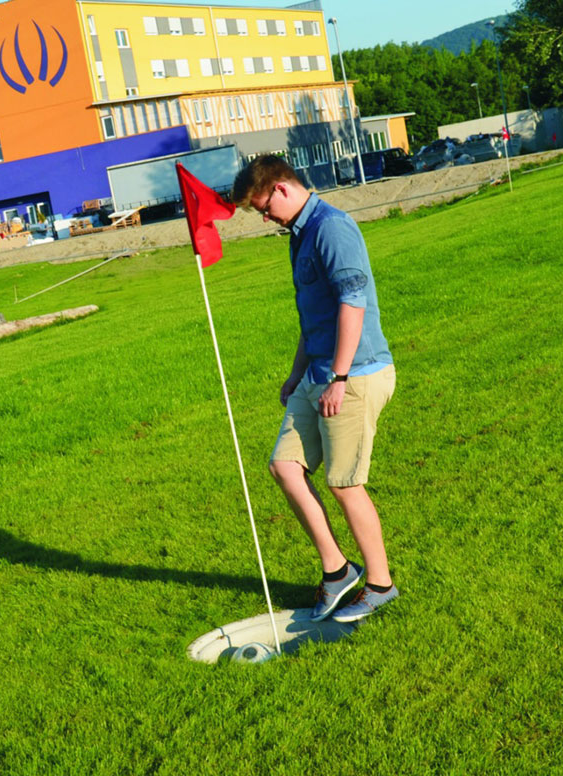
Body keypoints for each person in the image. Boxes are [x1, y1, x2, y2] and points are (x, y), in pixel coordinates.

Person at [232, 155, 399, 624]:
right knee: (285, 466)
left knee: (345, 485)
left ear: (282, 188)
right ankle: (338, 570)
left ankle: (381, 584)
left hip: (356, 374)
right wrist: (296, 372)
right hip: (317, 373)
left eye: (263, 208)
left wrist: (340, 378)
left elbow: (352, 303)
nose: (264, 218)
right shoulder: (299, 235)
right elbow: (314, 315)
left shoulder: (332, 229)